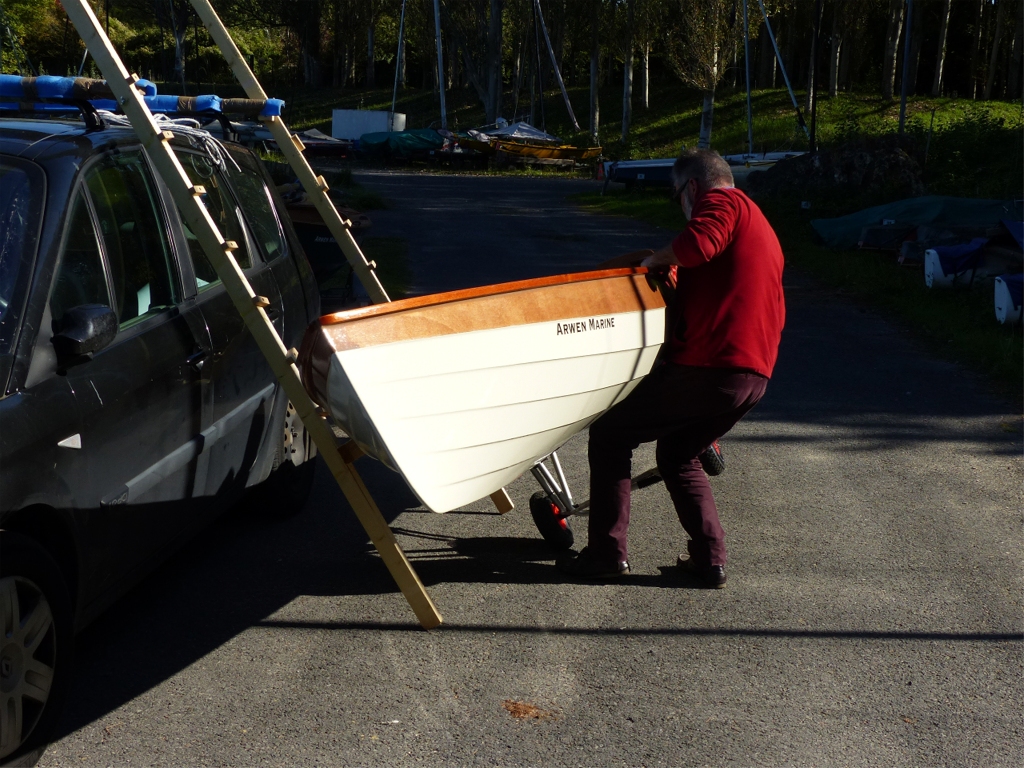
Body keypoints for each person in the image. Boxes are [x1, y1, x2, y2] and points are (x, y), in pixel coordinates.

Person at [558, 148, 786, 587]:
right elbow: (717, 278)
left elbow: (698, 244)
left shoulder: (724, 203)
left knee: (610, 434)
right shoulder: (758, 223)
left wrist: (655, 260)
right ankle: (709, 561)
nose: (680, 205)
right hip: (751, 376)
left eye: (676, 195)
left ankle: (606, 553)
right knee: (677, 454)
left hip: (711, 366)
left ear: (692, 188)